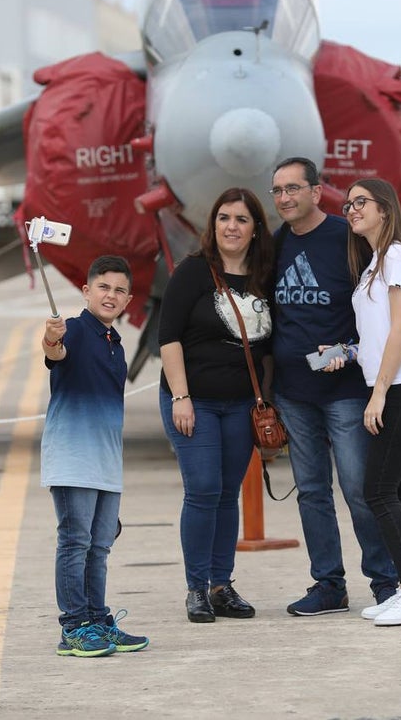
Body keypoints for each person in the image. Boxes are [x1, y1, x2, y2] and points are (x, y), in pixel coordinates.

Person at [268, 157, 401, 616]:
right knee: (311, 492)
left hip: (345, 391)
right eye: (278, 191)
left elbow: (385, 295)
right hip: (292, 393)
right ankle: (328, 584)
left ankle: (387, 583)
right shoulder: (276, 243)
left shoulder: (346, 238)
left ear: (317, 191)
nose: (285, 198)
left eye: (293, 189)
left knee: (358, 489)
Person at [158, 187, 275, 624]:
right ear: (213, 225)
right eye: (224, 217)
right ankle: (196, 588)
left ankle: (222, 586)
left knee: (228, 495)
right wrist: (182, 397)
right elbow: (167, 337)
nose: (231, 226)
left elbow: (271, 347)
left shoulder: (265, 275)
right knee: (204, 488)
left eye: (241, 219)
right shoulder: (192, 272)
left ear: (255, 228)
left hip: (242, 403)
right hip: (194, 400)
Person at [41, 255, 149, 657]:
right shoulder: (74, 331)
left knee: (99, 547)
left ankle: (97, 620)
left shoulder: (114, 343)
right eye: (103, 287)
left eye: (120, 290)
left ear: (128, 299)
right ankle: (73, 627)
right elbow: (55, 351)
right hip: (73, 458)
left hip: (106, 461)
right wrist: (52, 337)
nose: (111, 295)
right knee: (75, 542)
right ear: (86, 291)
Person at [341, 177, 401, 626]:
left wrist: (377, 394)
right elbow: (389, 330)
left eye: (361, 202)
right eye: (348, 204)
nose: (352, 209)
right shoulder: (377, 262)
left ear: (384, 208)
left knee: (377, 491)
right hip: (399, 384)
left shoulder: (396, 255)